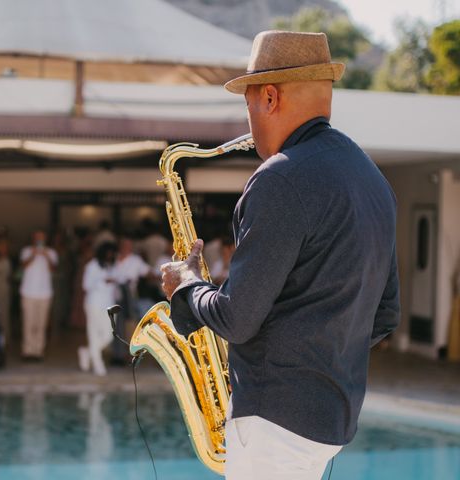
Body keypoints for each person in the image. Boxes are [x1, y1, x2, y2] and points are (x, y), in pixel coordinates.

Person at [160, 31, 400, 480]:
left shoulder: (280, 178)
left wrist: (186, 284)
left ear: (269, 96)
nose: (248, 126)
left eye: (247, 105)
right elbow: (385, 316)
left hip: (273, 424)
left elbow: (236, 319)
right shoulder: (373, 181)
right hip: (329, 424)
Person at [78, 241, 118, 376]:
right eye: (108, 252)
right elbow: (86, 285)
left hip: (109, 304)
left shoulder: (112, 266)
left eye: (112, 252)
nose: (110, 255)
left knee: (109, 335)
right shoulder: (92, 266)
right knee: (94, 334)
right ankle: (97, 364)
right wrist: (103, 281)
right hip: (94, 303)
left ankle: (87, 352)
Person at [110, 236, 150, 364]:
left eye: (128, 245)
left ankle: (130, 355)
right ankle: (116, 354)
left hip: (129, 296)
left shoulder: (136, 260)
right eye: (124, 245)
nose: (126, 248)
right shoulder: (113, 259)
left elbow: (148, 272)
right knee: (115, 325)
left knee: (130, 325)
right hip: (113, 296)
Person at [19, 231, 58, 361]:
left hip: (45, 293)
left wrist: (46, 255)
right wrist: (33, 255)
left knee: (41, 324)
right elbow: (23, 266)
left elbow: (53, 269)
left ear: (45, 238)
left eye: (42, 237)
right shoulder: (26, 251)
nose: (39, 239)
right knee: (28, 323)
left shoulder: (51, 252)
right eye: (37, 237)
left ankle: (38, 351)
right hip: (28, 292)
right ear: (33, 238)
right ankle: (27, 351)